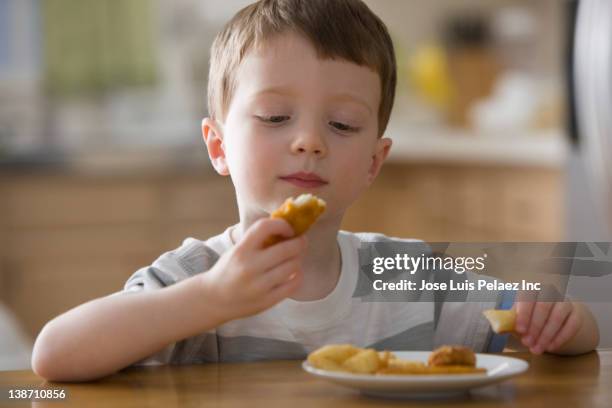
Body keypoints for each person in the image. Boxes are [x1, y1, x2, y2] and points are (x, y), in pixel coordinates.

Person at [31, 0, 599, 382]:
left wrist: (563, 321)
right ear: (218, 146)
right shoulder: (193, 278)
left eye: (343, 126)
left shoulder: (407, 276)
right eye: (276, 117)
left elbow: (556, 330)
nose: (308, 142)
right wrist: (211, 299)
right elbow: (53, 356)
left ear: (375, 162)